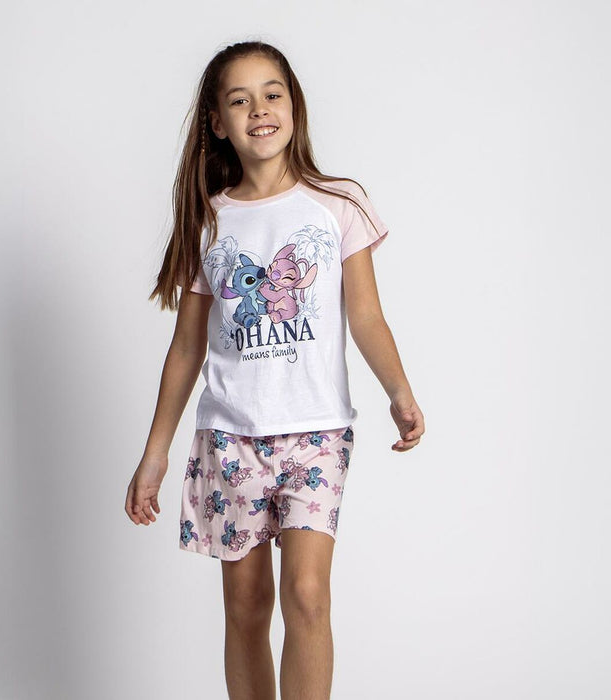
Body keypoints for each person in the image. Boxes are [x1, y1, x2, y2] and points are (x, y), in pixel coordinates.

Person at [125, 40, 425, 700]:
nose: (259, 109)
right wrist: (155, 454)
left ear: (294, 105)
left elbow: (366, 316)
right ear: (217, 122)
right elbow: (186, 348)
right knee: (246, 607)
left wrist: (399, 391)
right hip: (230, 438)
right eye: (240, 100)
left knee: (307, 594)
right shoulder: (209, 220)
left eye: (272, 94)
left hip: (317, 433)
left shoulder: (338, 203)